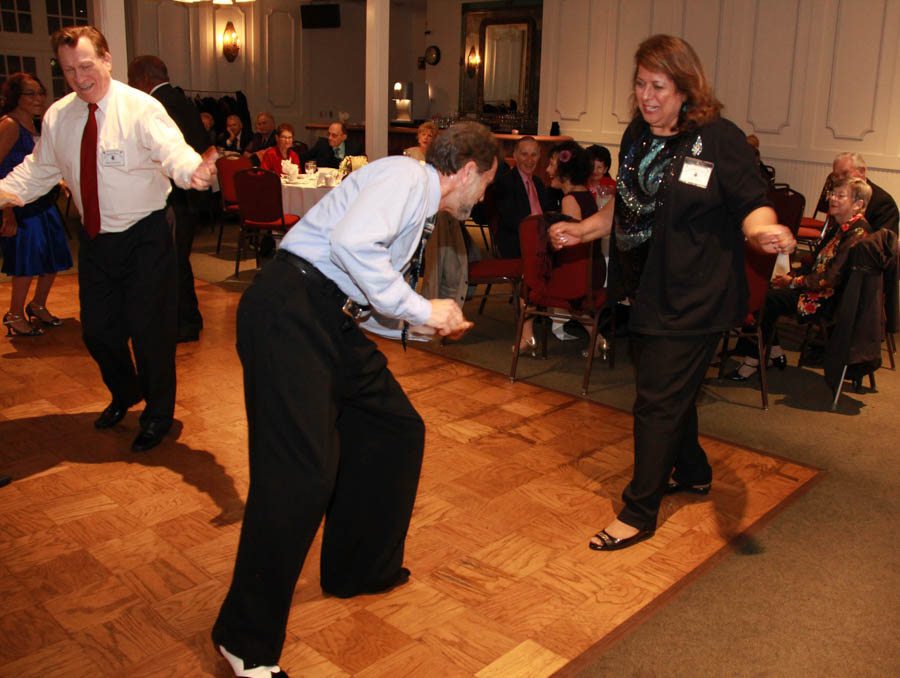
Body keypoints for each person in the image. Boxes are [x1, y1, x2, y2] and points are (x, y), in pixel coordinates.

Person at [211, 122, 497, 678]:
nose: (483, 195)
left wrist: (420, 324)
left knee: (394, 428)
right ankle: (242, 640)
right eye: (485, 183)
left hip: (325, 319)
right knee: (300, 476)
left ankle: (359, 568)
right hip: (288, 313)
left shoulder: (413, 196)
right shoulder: (409, 178)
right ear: (466, 172)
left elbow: (361, 284)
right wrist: (422, 309)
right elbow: (350, 246)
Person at [549, 35, 794, 551]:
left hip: (696, 295)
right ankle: (694, 471)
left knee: (655, 400)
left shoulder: (719, 139)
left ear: (685, 88)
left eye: (658, 85)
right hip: (645, 288)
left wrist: (762, 232)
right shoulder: (637, 134)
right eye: (640, 84)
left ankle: (640, 511)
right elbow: (629, 204)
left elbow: (753, 203)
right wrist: (585, 229)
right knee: (669, 389)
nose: (646, 95)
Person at [0, 26, 216, 453]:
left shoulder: (141, 108)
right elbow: (38, 171)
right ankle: (126, 392)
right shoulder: (60, 116)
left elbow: (172, 149)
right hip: (97, 239)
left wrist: (192, 170)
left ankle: (158, 414)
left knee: (150, 332)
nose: (79, 78)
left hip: (147, 235)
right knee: (98, 331)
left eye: (85, 65)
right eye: (68, 70)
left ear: (106, 60)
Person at [727, 176, 872, 380]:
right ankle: (773, 353)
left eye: (841, 196)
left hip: (831, 300)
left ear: (858, 204)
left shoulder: (857, 233)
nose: (832, 199)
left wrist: (794, 282)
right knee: (769, 291)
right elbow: (815, 262)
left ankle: (753, 361)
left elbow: (831, 278)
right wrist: (792, 275)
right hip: (821, 291)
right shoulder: (841, 226)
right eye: (833, 194)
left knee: (766, 299)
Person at [128, 54, 210, 344]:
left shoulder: (157, 105)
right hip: (188, 196)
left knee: (175, 262)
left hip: (177, 197)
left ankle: (185, 322)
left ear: (141, 79)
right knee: (177, 261)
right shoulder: (181, 100)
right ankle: (183, 320)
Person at [1, 73, 72, 337]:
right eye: (30, 93)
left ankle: (38, 304)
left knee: (53, 257)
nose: (38, 98)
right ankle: (14, 314)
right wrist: (6, 210)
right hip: (19, 205)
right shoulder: (9, 125)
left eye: (40, 92)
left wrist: (60, 181)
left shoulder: (37, 126)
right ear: (15, 98)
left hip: (42, 202)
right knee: (27, 261)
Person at [494, 135, 548, 258]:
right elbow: (510, 219)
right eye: (524, 154)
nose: (529, 160)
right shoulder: (506, 182)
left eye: (534, 155)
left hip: (541, 240)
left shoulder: (538, 183)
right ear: (515, 156)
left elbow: (547, 212)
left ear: (539, 157)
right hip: (517, 242)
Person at [830, 152, 898, 234]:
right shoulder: (837, 196)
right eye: (836, 176)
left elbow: (883, 243)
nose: (840, 179)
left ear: (862, 171)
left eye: (845, 173)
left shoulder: (883, 202)